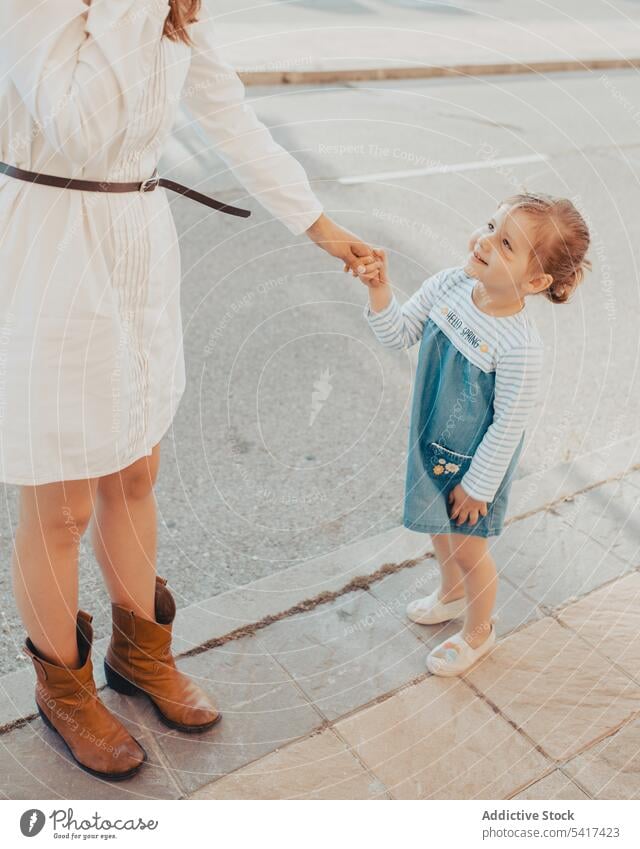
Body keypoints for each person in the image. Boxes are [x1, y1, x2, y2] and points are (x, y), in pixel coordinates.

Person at [0, 0, 377, 781]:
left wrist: (321, 226)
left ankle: (140, 656)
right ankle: (64, 692)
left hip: (136, 244)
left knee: (136, 472)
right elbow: (77, 129)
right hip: (49, 249)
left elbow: (228, 115)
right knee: (60, 504)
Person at [356, 192, 591, 677]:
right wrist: (380, 291)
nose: (485, 241)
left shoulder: (519, 346)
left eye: (506, 243)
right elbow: (399, 333)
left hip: (474, 463)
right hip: (432, 441)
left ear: (536, 280)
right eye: (491, 225)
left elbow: (509, 422)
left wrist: (478, 485)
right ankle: (451, 592)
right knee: (437, 529)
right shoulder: (448, 286)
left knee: (468, 545)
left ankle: (480, 631)